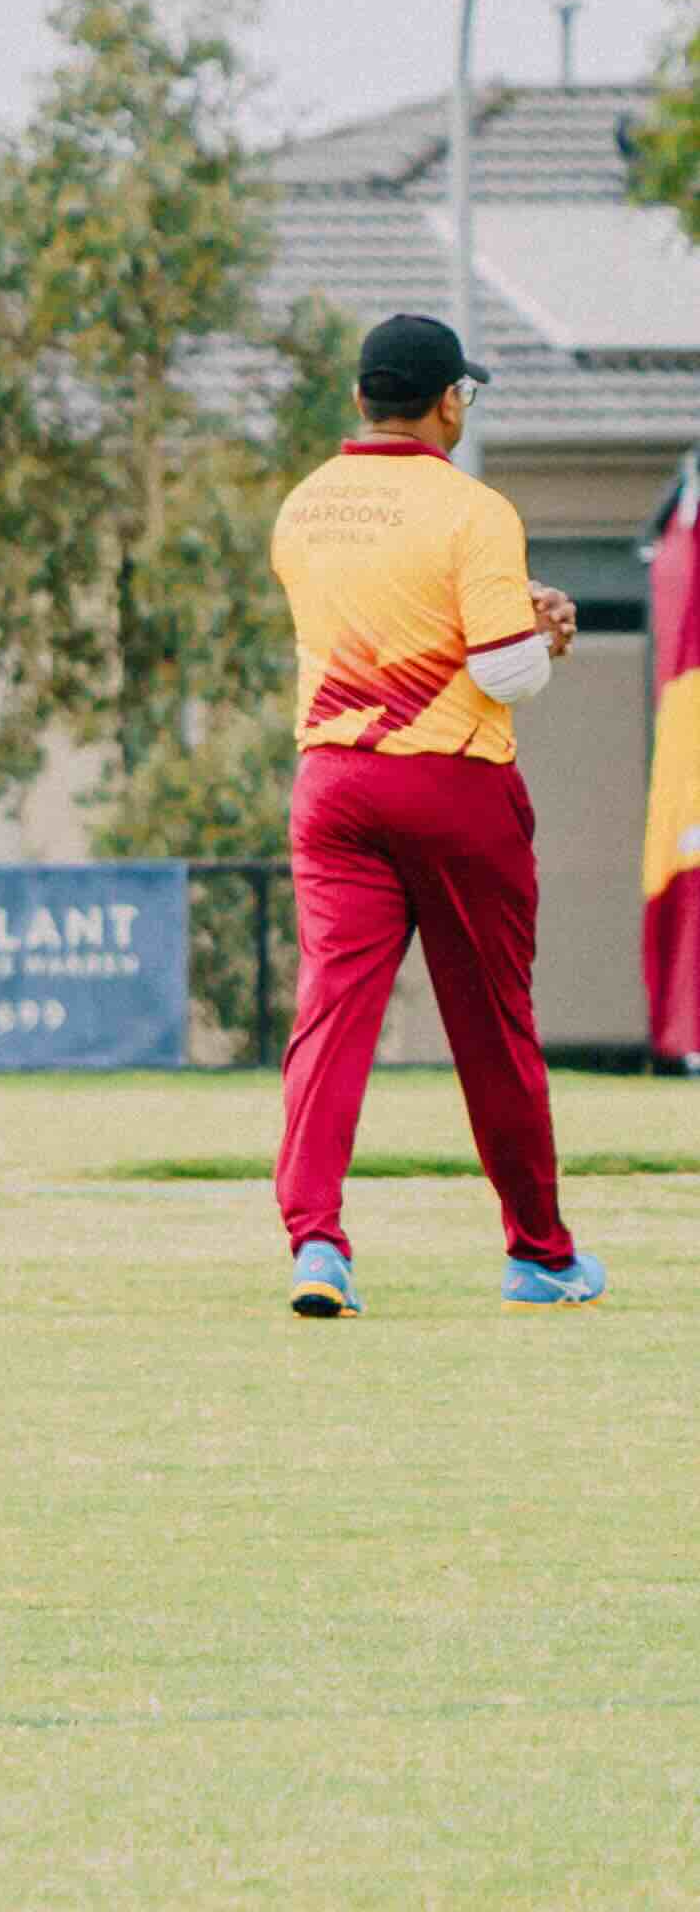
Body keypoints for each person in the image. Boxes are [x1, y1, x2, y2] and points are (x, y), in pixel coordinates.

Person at [265, 312, 603, 1314]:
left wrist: (503, 620)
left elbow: (385, 618)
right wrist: (540, 634)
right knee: (490, 1027)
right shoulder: (472, 509)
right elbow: (502, 669)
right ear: (445, 399)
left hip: (331, 782)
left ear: (362, 398)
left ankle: (314, 1244)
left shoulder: (304, 506)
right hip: (450, 786)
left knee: (330, 1018)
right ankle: (537, 1255)